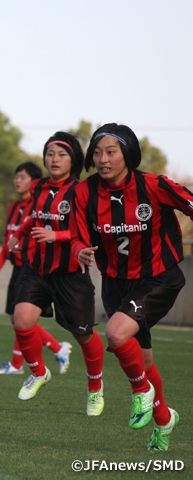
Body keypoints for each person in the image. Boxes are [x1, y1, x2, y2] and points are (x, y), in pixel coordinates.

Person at [71, 123, 189, 451]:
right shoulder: (84, 192)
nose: (103, 159)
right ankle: (164, 420)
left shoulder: (153, 185)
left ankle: (141, 393)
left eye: (111, 152)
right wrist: (79, 248)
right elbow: (77, 234)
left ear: (128, 154)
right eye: (97, 152)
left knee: (116, 333)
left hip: (158, 277)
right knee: (144, 360)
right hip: (116, 284)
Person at [7, 132, 105, 416]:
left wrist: (57, 235)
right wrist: (20, 235)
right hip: (37, 269)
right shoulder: (37, 187)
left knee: (83, 336)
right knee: (21, 319)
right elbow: (33, 217)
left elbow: (85, 229)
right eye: (50, 154)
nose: (54, 159)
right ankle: (38, 372)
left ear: (73, 159)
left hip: (70, 273)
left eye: (61, 154)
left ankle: (95, 388)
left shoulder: (81, 191)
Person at [0, 161, 71, 375]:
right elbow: (9, 239)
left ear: (34, 182)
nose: (18, 180)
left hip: (31, 268)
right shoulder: (14, 207)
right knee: (16, 319)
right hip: (17, 268)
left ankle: (18, 364)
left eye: (23, 177)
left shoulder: (40, 206)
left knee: (21, 318)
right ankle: (56, 347)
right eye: (16, 176)